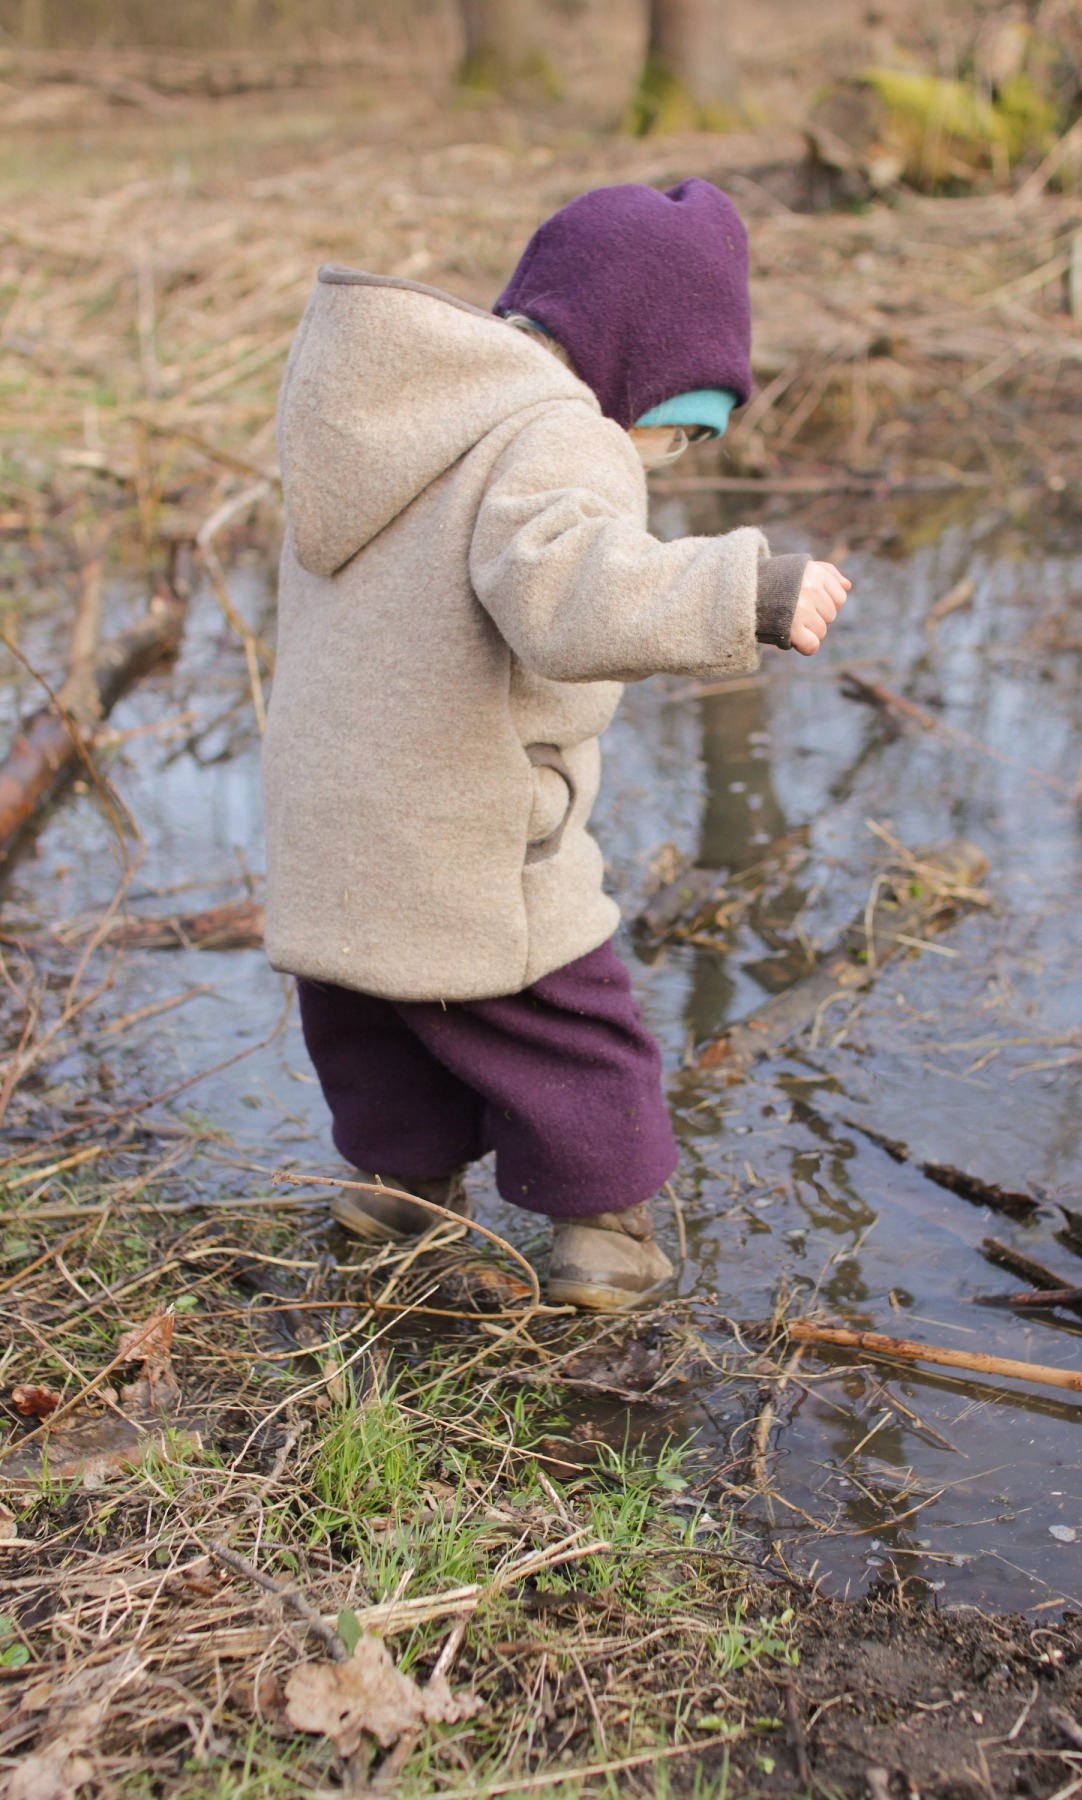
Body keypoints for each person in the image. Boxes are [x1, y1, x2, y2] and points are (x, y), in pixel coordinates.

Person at [262, 178, 850, 1312]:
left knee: (376, 1002)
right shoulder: (555, 432)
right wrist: (747, 590)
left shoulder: (391, 415)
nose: (665, 463)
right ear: (635, 353)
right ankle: (603, 1242)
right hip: (461, 822)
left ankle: (399, 1192)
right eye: (676, 432)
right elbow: (572, 594)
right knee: (574, 1027)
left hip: (327, 815)